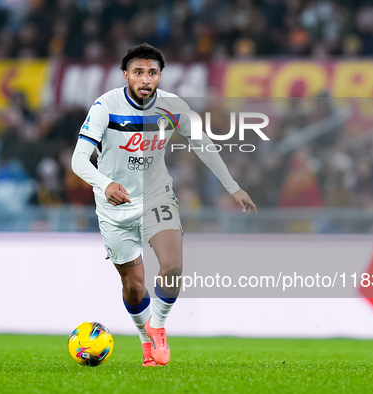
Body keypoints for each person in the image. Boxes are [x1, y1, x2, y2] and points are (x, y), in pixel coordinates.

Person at [71, 43, 256, 367]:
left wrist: (233, 187)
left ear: (160, 76)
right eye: (139, 72)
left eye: (152, 73)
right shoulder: (106, 106)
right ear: (126, 75)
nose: (145, 79)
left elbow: (205, 146)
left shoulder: (174, 107)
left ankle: (157, 325)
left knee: (172, 267)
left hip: (156, 196)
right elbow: (78, 160)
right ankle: (146, 341)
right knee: (133, 285)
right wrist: (105, 183)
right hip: (114, 206)